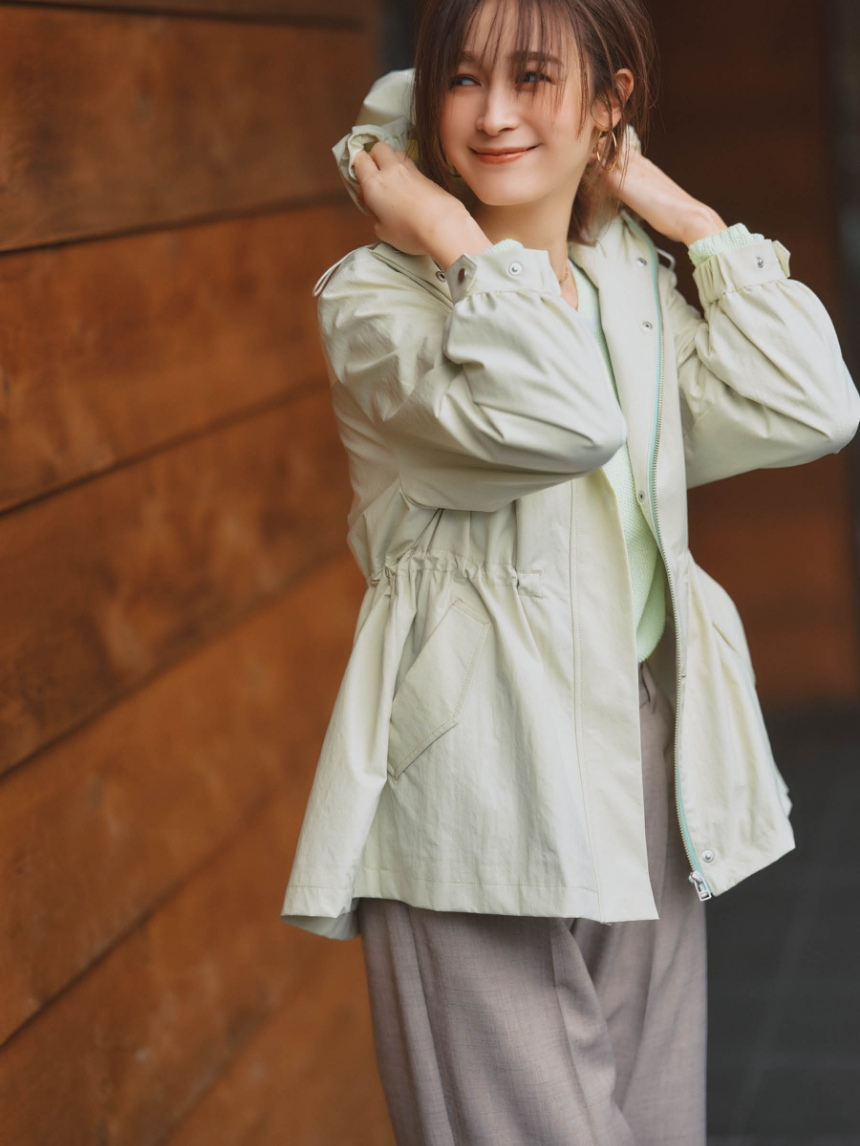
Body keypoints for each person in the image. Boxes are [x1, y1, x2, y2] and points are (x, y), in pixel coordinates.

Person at [281, 0, 860, 1141]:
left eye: (534, 77)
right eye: (459, 80)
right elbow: (559, 419)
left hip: (640, 763)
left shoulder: (624, 292)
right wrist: (451, 235)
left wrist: (665, 206)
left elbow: (814, 403)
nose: (492, 113)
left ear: (609, 100)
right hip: (474, 789)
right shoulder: (376, 303)